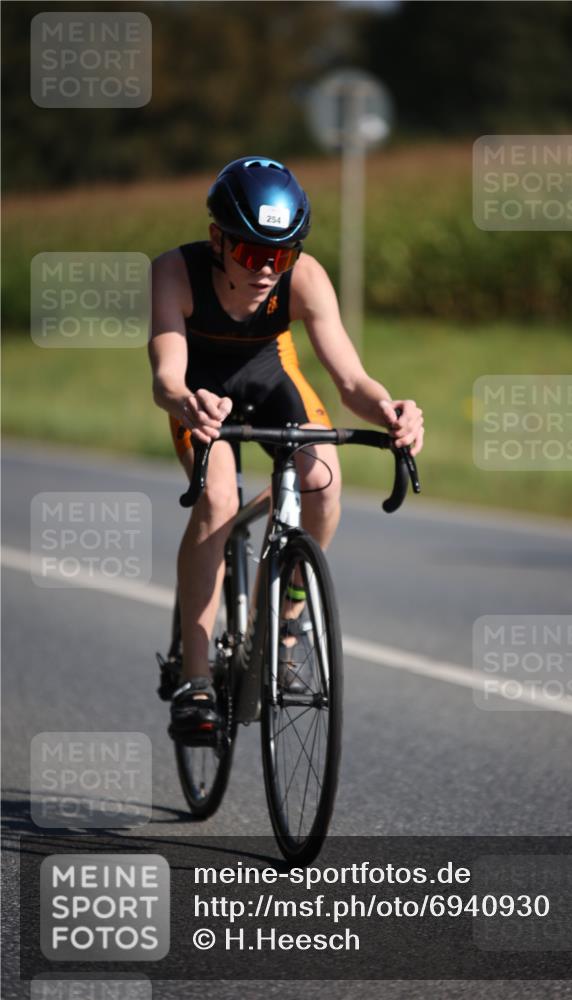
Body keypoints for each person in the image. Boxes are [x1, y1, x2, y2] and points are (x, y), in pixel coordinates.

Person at [149, 155, 424, 739]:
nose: (268, 269)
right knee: (219, 500)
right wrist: (187, 404)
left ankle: (287, 624)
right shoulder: (175, 272)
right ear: (217, 239)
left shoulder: (305, 278)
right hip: (201, 395)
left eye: (282, 254)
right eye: (253, 253)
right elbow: (167, 378)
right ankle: (196, 678)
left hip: (272, 379)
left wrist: (390, 410)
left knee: (323, 480)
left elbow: (351, 382)